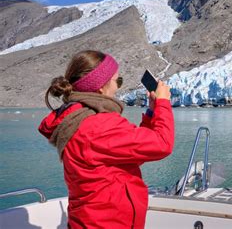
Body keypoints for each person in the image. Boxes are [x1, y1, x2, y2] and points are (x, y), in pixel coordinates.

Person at [38, 50, 174, 229]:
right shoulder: (99, 126)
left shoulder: (77, 119)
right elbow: (162, 144)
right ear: (101, 87)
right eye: (117, 81)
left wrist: (151, 113)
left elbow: (133, 153)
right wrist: (163, 103)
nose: (118, 87)